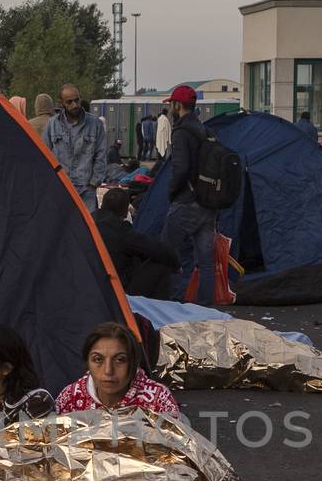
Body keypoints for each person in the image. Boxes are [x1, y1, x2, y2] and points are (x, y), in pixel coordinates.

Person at [163, 84, 217, 306]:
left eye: (172, 104)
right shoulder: (205, 130)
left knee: (169, 253)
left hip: (186, 201)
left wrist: (171, 192)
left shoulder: (181, 133)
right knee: (205, 261)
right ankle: (205, 307)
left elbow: (181, 169)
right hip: (209, 202)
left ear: (178, 105)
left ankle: (174, 303)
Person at [54, 321, 180, 416]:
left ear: (134, 362)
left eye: (120, 360)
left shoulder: (158, 400)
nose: (108, 370)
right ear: (87, 363)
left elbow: (177, 447)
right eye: (98, 359)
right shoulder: (70, 398)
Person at [92, 187, 175, 299]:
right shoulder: (122, 231)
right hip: (114, 287)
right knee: (162, 264)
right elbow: (159, 249)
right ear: (125, 212)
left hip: (89, 280)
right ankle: (155, 309)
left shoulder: (87, 221)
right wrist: (176, 263)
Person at [43, 84, 107, 208]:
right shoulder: (52, 124)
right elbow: (45, 154)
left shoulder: (95, 124)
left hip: (86, 191)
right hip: (61, 188)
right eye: (69, 102)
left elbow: (101, 155)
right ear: (61, 103)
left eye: (77, 100)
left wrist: (93, 183)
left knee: (86, 226)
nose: (75, 105)